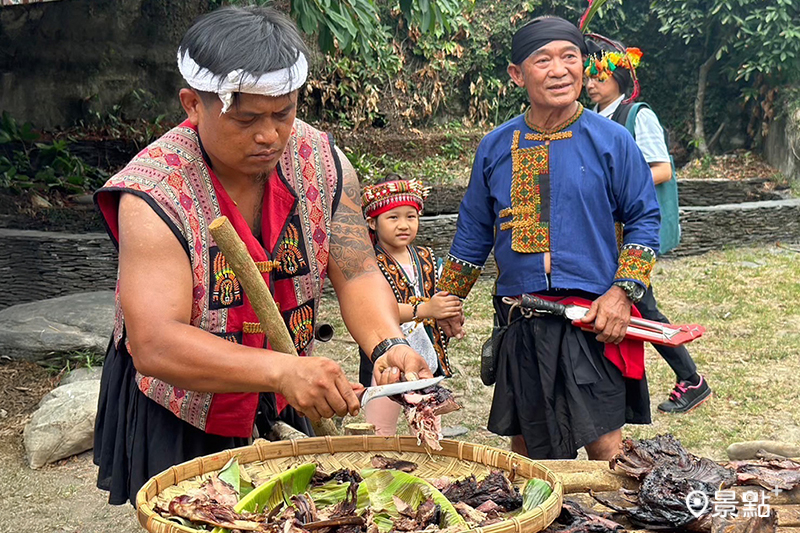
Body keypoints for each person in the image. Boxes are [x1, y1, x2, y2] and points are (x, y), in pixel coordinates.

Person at [92, 6, 432, 506]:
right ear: (193, 104)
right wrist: (281, 370)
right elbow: (155, 344)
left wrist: (387, 345)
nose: (269, 135)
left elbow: (358, 272)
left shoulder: (324, 163)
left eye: (283, 113)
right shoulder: (152, 194)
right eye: (247, 117)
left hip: (281, 385)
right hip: (182, 404)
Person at [436, 16, 660, 461]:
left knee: (607, 449)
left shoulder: (612, 140)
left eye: (570, 57)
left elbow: (644, 220)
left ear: (583, 65)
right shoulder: (498, 146)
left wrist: (621, 293)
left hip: (592, 319)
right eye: (544, 60)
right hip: (523, 319)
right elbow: (473, 232)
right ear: (518, 74)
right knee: (529, 451)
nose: (560, 70)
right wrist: (448, 296)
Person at [584, 39, 712, 414]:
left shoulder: (637, 115)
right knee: (636, 303)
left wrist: (612, 188)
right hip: (605, 233)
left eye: (601, 76)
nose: (592, 84)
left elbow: (662, 168)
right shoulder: (592, 117)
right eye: (590, 77)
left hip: (632, 232)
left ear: (621, 78)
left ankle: (691, 379)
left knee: (640, 302)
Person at [357, 175, 462, 435]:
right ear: (372, 222)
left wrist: (449, 317)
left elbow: (437, 298)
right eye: (393, 218)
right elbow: (377, 311)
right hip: (385, 357)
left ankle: (431, 471)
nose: (403, 225)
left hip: (423, 354)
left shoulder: (425, 257)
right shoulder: (369, 265)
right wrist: (426, 310)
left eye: (411, 217)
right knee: (381, 427)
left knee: (428, 422)